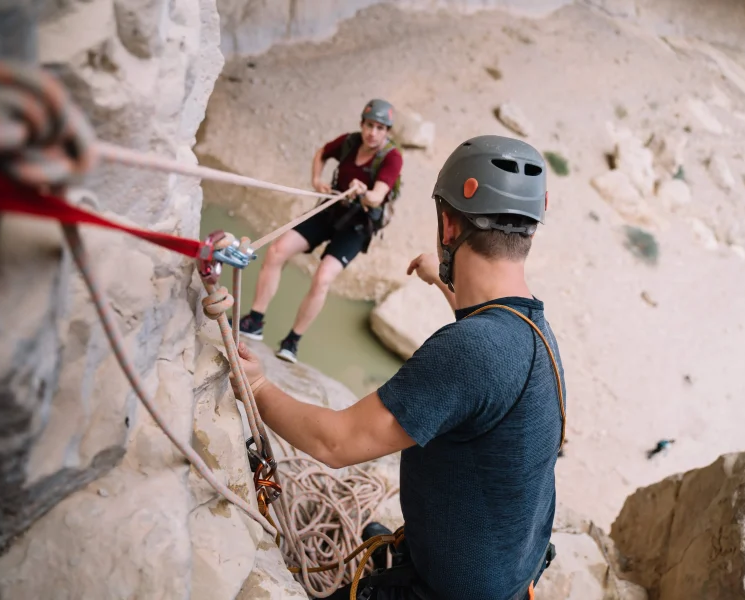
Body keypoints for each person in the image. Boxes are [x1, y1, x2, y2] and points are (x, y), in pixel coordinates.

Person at [217, 135, 565, 600]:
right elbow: (485, 337)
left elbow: (335, 443)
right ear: (530, 231)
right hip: (511, 571)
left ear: (447, 226)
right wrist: (439, 279)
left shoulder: (470, 353)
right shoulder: (534, 331)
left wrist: (257, 384)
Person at [233, 98, 404, 363]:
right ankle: (254, 319)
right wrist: (316, 179)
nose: (373, 132)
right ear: (362, 124)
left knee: (323, 277)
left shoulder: (391, 159)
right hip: (330, 210)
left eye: (380, 128)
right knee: (278, 250)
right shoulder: (349, 142)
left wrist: (364, 192)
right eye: (370, 125)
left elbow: (378, 197)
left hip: (357, 226)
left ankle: (292, 341)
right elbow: (322, 153)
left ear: (388, 132)